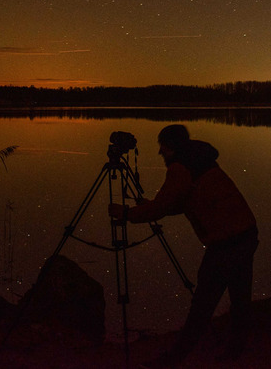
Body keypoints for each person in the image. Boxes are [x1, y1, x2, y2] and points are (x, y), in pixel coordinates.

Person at [109, 124, 258, 366]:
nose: (160, 152)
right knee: (240, 298)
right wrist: (150, 207)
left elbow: (161, 206)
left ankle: (176, 358)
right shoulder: (200, 159)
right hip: (246, 233)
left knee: (203, 303)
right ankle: (236, 350)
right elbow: (186, 199)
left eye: (163, 147)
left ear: (172, 147)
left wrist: (127, 214)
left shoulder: (180, 168)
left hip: (226, 242)